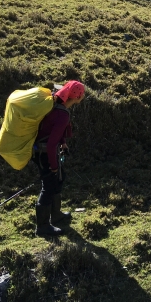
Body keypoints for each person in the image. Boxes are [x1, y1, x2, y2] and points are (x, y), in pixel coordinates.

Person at [33, 80, 85, 237]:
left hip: (44, 151)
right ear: (77, 97)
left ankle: (55, 215)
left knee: (59, 179)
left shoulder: (56, 106)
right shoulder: (62, 115)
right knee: (48, 186)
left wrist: (63, 143)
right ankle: (42, 227)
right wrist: (54, 166)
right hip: (45, 153)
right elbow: (50, 145)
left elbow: (52, 130)